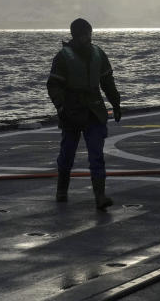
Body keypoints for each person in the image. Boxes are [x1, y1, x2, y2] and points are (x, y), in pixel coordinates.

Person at [47, 18, 122, 209]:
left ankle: (100, 196)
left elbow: (107, 82)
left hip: (94, 111)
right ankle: (62, 190)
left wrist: (116, 104)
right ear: (75, 35)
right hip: (71, 112)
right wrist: (61, 107)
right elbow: (54, 85)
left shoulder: (99, 54)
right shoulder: (63, 57)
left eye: (89, 33)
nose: (87, 37)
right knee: (67, 154)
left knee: (96, 154)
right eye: (83, 34)